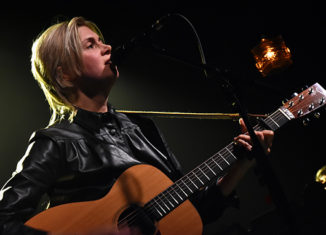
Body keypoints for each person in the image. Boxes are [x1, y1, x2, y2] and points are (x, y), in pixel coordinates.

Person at [0, 16, 274, 235]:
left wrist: (242, 165)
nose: (108, 47)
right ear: (65, 75)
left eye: (102, 40)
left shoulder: (143, 129)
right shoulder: (56, 142)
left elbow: (191, 215)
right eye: (91, 45)